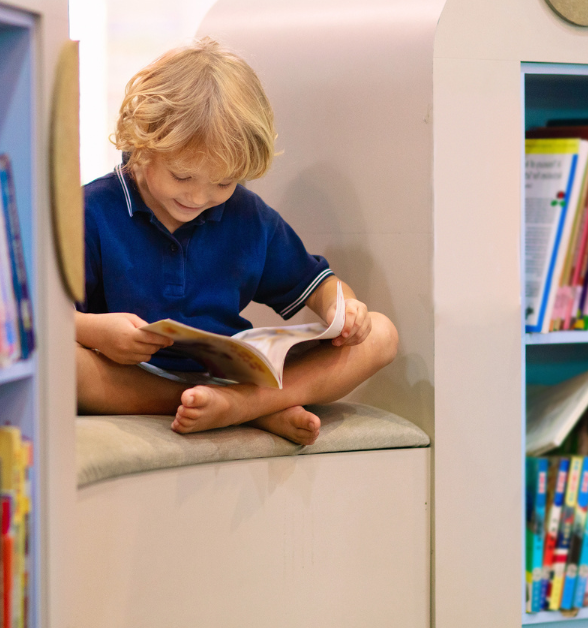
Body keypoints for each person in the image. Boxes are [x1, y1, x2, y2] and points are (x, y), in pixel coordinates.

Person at [75, 37, 397, 446]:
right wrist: (96, 332)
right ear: (142, 142)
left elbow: (318, 285)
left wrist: (344, 308)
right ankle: (249, 407)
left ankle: (242, 404)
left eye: (223, 183)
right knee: (61, 363)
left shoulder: (247, 214)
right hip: (130, 374)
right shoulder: (91, 210)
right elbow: (46, 323)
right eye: (182, 176)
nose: (197, 198)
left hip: (231, 372)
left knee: (381, 335)